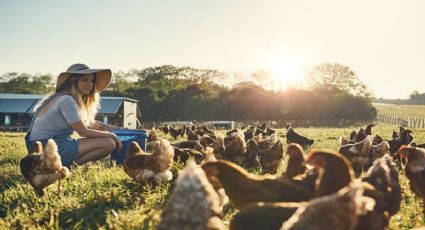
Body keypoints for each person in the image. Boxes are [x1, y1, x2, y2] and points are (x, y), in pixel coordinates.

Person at [25, 63, 123, 166]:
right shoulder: (66, 100)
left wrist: (119, 130)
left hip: (36, 148)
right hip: (48, 147)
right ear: (73, 81)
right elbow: (83, 131)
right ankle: (66, 166)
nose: (90, 84)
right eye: (85, 80)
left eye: (92, 81)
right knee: (109, 143)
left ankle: (64, 165)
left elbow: (90, 124)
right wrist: (112, 135)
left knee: (107, 141)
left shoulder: (59, 97)